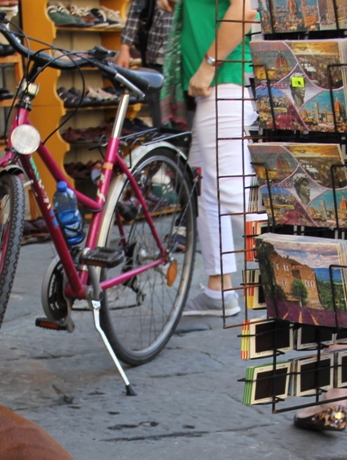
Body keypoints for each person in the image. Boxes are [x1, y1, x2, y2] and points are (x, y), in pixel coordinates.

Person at [159, 0, 256, 317]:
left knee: (233, 195)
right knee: (207, 194)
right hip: (213, 89)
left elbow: (244, 9)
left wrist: (208, 65)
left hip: (221, 83)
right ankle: (218, 290)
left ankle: (311, 269)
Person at [116, 0, 172, 129]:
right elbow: (136, 12)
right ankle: (165, 145)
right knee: (159, 119)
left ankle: (183, 146)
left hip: (183, 60)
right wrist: (125, 49)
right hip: (155, 60)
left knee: (186, 118)